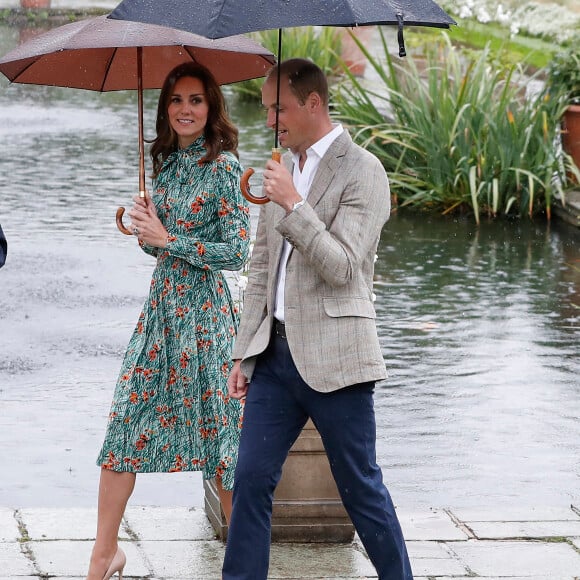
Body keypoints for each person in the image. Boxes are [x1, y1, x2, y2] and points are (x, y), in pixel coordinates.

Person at [222, 58, 413, 580]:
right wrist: (244, 350)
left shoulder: (364, 171)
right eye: (265, 109)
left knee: (361, 489)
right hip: (275, 357)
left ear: (313, 104)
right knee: (250, 480)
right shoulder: (281, 164)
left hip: (337, 358)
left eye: (278, 108)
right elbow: (261, 267)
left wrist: (294, 201)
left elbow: (343, 267)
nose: (269, 121)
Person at [86, 62, 250, 580]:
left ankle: (244, 565)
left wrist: (169, 240)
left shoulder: (224, 166)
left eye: (195, 100)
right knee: (124, 426)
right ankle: (104, 554)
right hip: (160, 315)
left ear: (211, 107)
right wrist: (138, 223)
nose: (184, 109)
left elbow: (238, 250)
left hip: (206, 317)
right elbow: (156, 244)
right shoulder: (166, 164)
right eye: (176, 101)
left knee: (222, 442)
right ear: (165, 109)